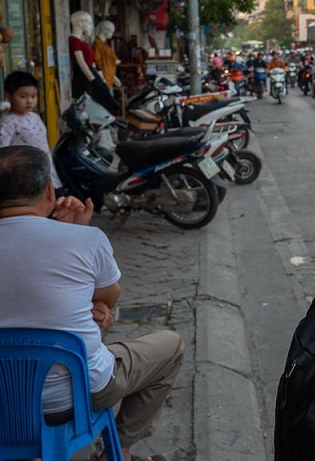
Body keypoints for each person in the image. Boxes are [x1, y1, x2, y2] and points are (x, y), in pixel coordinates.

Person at [0, 145, 184, 461]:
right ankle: (121, 450)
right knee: (171, 346)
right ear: (48, 189)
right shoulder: (86, 239)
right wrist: (77, 233)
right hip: (76, 396)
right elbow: (110, 295)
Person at [1, 71, 62, 191]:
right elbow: (3, 151)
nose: (29, 101)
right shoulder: (7, 122)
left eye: (33, 96)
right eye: (23, 96)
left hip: (48, 173)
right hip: (25, 179)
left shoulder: (35, 117)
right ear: (9, 96)